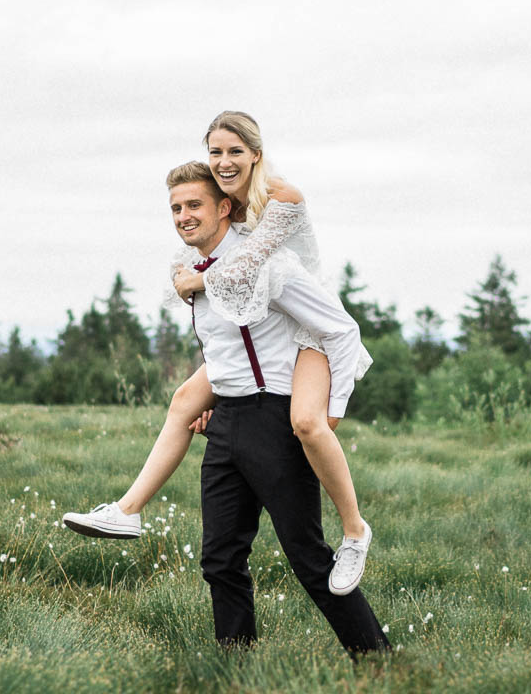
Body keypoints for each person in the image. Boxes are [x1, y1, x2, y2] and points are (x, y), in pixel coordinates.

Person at [63, 112, 376, 593]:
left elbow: (249, 265)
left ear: (256, 153)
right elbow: (229, 281)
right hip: (268, 320)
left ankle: (355, 532)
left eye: (234, 151)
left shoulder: (280, 197)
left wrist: (198, 278)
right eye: (216, 152)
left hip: (307, 327)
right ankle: (126, 511)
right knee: (185, 400)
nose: (224, 161)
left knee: (309, 424)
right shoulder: (226, 201)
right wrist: (225, 398)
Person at [128, 162, 390, 654]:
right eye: (176, 208)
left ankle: (377, 658)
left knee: (308, 557)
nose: (183, 216)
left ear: (225, 207)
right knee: (220, 558)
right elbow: (223, 349)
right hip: (226, 422)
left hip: (274, 418)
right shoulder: (195, 270)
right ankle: (235, 665)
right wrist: (216, 406)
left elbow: (338, 330)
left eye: (194, 205)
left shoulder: (268, 265)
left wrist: (328, 414)